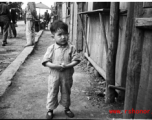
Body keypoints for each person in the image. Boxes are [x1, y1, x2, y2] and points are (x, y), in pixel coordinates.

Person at [42, 20, 80, 119]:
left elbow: (76, 60)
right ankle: (50, 110)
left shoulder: (71, 48)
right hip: (54, 76)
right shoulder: (51, 48)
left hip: (67, 76)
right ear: (53, 36)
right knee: (52, 91)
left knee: (66, 92)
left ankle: (66, 108)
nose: (63, 37)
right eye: (59, 34)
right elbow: (46, 62)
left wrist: (68, 66)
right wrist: (55, 66)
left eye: (65, 34)